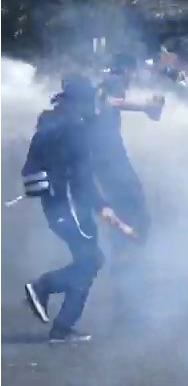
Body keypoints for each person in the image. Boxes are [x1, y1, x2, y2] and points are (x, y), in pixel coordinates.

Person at [23, 75, 136, 343]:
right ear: (81, 103)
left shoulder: (50, 122)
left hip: (54, 206)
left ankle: (62, 326)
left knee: (89, 260)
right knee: (90, 261)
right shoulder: (75, 130)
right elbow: (82, 177)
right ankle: (43, 289)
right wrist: (104, 208)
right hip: (71, 206)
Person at [91, 56, 164, 328]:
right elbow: (110, 102)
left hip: (110, 167)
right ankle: (129, 299)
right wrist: (145, 106)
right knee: (138, 222)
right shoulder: (111, 84)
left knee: (132, 224)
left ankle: (127, 296)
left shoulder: (103, 86)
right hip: (113, 167)